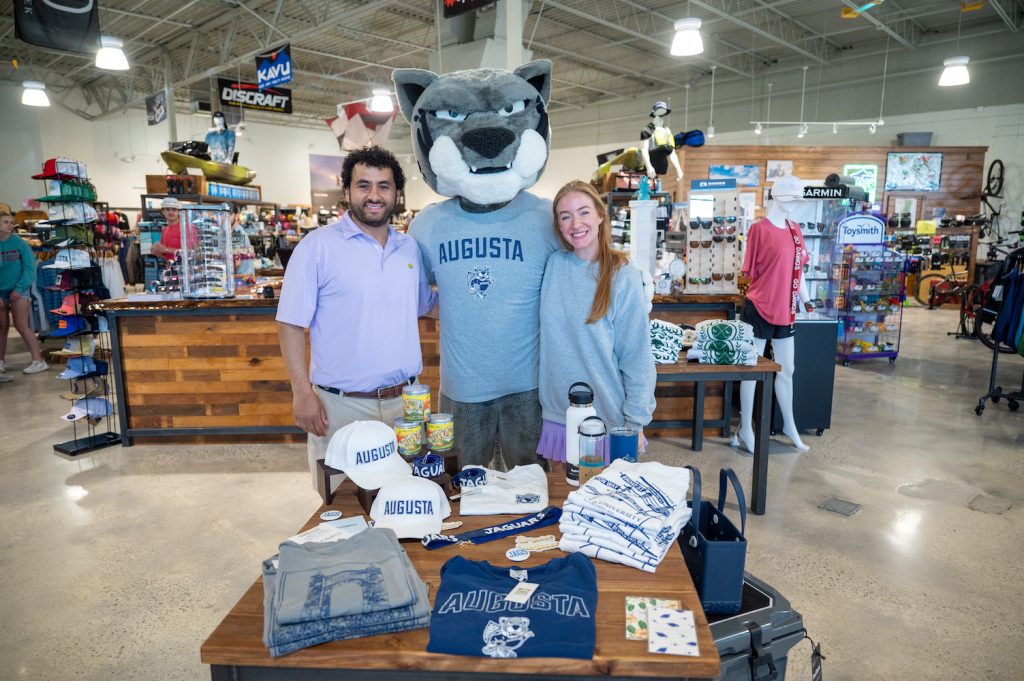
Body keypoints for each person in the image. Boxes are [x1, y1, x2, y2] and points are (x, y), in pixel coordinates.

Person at [276, 146, 438, 492]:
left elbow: (426, 304)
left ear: (396, 193)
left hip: (407, 406)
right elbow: (289, 323)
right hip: (341, 407)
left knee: (407, 500)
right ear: (347, 191)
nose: (374, 195)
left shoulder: (409, 248)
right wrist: (301, 392)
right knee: (345, 508)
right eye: (364, 185)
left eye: (384, 185)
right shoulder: (317, 247)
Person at [535, 181, 656, 463]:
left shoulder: (622, 275)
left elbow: (637, 355)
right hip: (558, 416)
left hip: (607, 420)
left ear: (601, 216)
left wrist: (635, 422)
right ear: (559, 226)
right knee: (562, 503)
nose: (576, 223)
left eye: (584, 212)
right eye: (566, 216)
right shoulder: (554, 266)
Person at [733, 175, 812, 454]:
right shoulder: (759, 230)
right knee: (751, 370)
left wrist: (808, 300)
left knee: (787, 370)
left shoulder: (796, 229)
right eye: (788, 198)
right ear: (775, 198)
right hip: (760, 307)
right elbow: (752, 273)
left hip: (787, 309)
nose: (792, 206)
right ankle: (746, 428)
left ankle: (790, 425)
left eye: (795, 200)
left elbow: (798, 271)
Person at [0, 211, 48, 375]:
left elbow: (30, 270)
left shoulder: (20, 244)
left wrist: (19, 290)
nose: (10, 225)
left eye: (11, 222)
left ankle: (38, 361)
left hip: (19, 291)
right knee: (1, 327)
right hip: (1, 293)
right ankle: (0, 362)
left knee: (21, 325)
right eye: (5, 221)